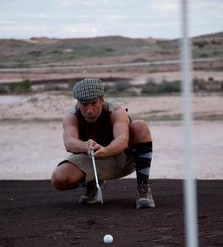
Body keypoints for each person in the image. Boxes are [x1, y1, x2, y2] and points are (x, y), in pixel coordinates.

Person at [51, 78, 155, 209]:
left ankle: (143, 187)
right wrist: (85, 146)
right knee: (59, 179)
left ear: (101, 99)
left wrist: (106, 151)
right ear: (78, 103)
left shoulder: (115, 110)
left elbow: (122, 140)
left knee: (140, 126)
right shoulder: (71, 116)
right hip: (94, 159)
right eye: (84, 104)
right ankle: (92, 184)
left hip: (125, 158)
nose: (89, 110)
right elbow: (69, 143)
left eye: (93, 103)